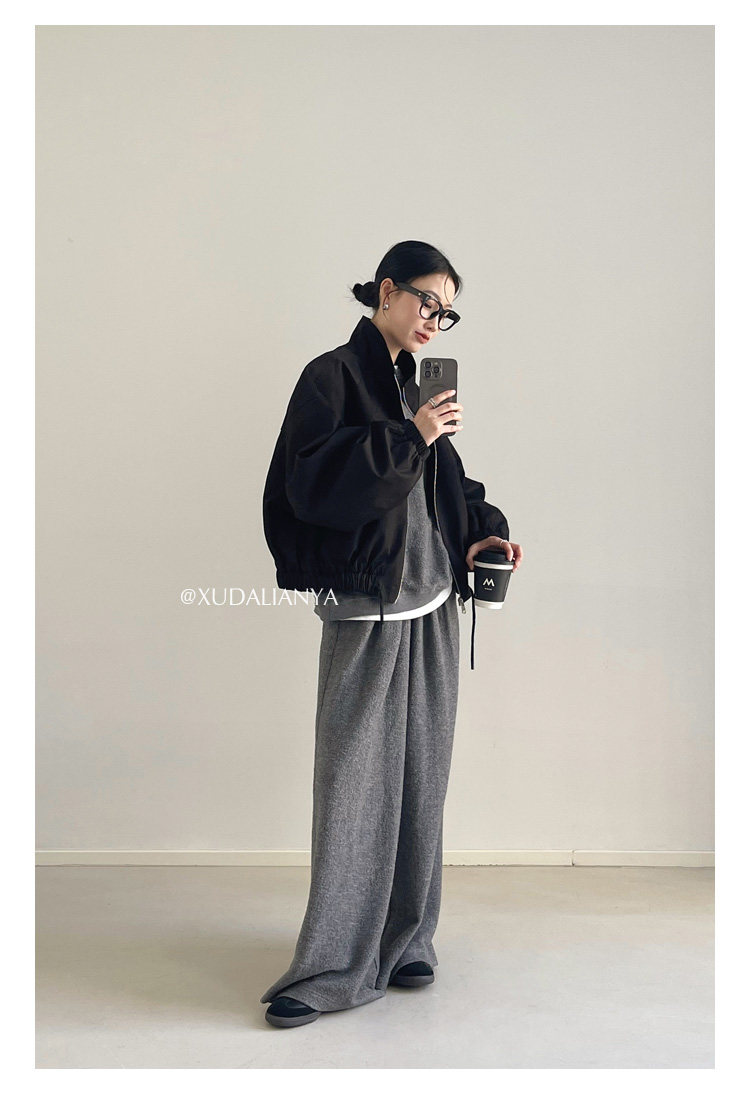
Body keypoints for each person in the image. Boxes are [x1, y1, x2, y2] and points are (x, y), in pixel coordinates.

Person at [261, 240, 523, 1027]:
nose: (435, 321)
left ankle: (408, 939)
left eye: (448, 313)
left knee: (420, 779)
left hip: (434, 603)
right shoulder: (331, 377)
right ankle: (330, 965)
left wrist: (483, 535)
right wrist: (410, 433)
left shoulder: (416, 387)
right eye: (427, 303)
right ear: (386, 291)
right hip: (369, 605)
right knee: (352, 785)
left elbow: (450, 487)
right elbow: (311, 486)